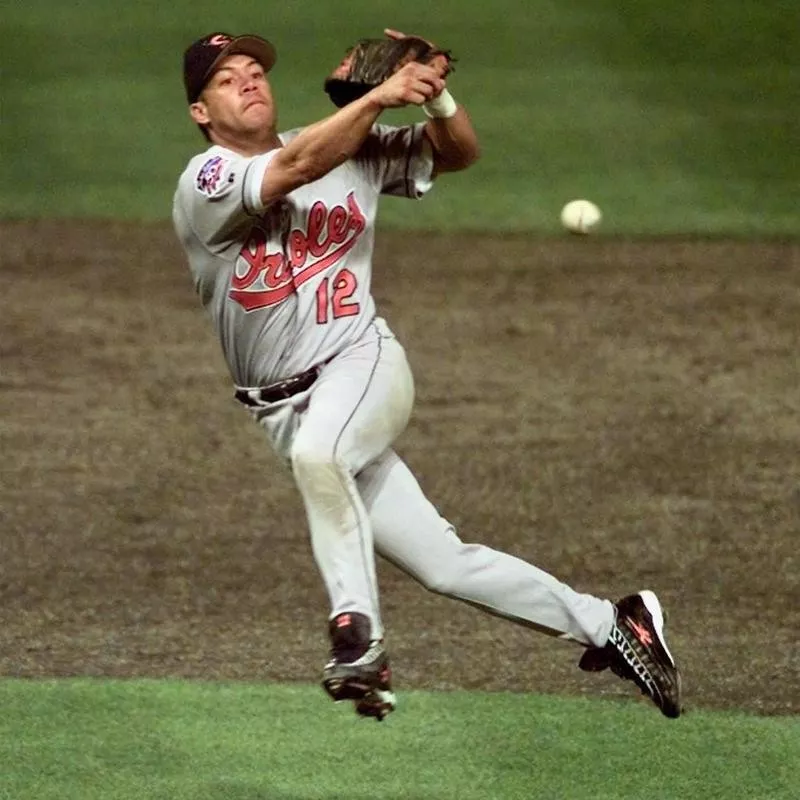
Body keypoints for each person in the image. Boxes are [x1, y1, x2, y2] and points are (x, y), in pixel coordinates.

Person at [172, 29, 682, 721]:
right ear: (201, 112)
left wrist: (437, 98)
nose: (250, 81)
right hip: (284, 410)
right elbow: (293, 166)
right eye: (228, 78)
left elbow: (459, 152)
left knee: (321, 454)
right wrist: (381, 96)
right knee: (444, 561)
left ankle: (357, 640)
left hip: (361, 363)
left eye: (256, 69)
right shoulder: (206, 181)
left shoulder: (342, 145)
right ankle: (615, 625)